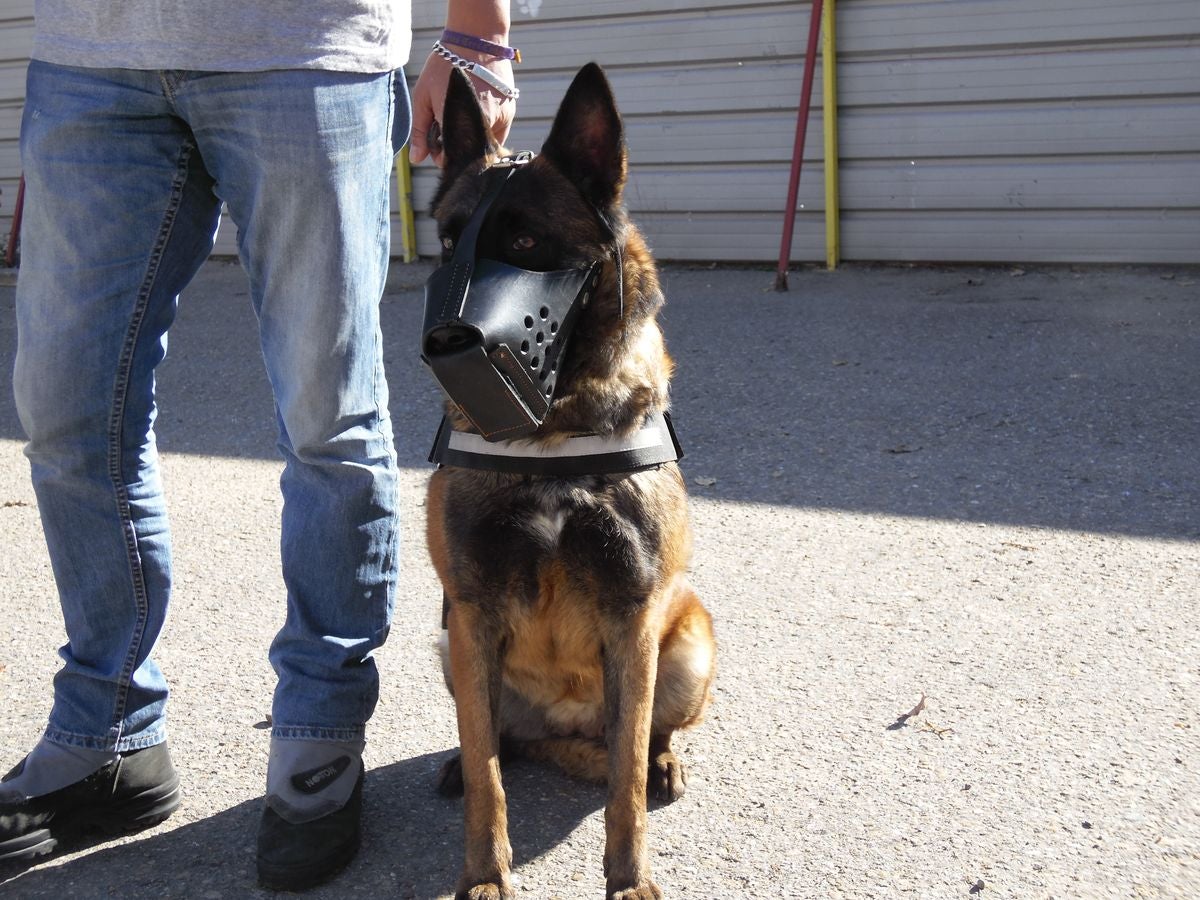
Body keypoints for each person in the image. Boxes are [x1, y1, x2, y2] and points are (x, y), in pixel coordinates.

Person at [0, 0, 515, 890]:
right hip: (92, 55)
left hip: (306, 47)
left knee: (327, 416)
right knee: (67, 412)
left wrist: (480, 33)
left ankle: (320, 724)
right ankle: (109, 735)